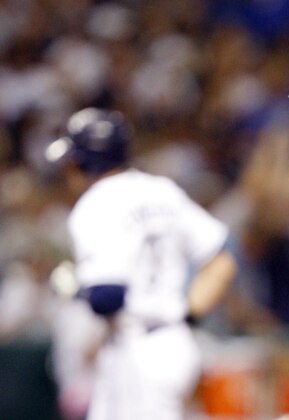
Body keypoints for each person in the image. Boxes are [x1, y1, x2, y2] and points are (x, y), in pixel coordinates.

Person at [45, 107, 238, 420]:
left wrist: (76, 289)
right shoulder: (161, 190)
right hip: (172, 343)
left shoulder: (94, 204)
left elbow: (107, 297)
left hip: (136, 354)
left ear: (81, 162)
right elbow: (222, 260)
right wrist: (185, 314)